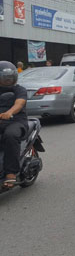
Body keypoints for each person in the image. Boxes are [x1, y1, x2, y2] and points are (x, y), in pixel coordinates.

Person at [0, 61, 28, 190]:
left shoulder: (19, 89)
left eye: (10, 77)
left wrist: (9, 112)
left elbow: (19, 103)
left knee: (10, 135)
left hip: (16, 121)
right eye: (5, 77)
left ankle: (11, 173)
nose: (8, 79)